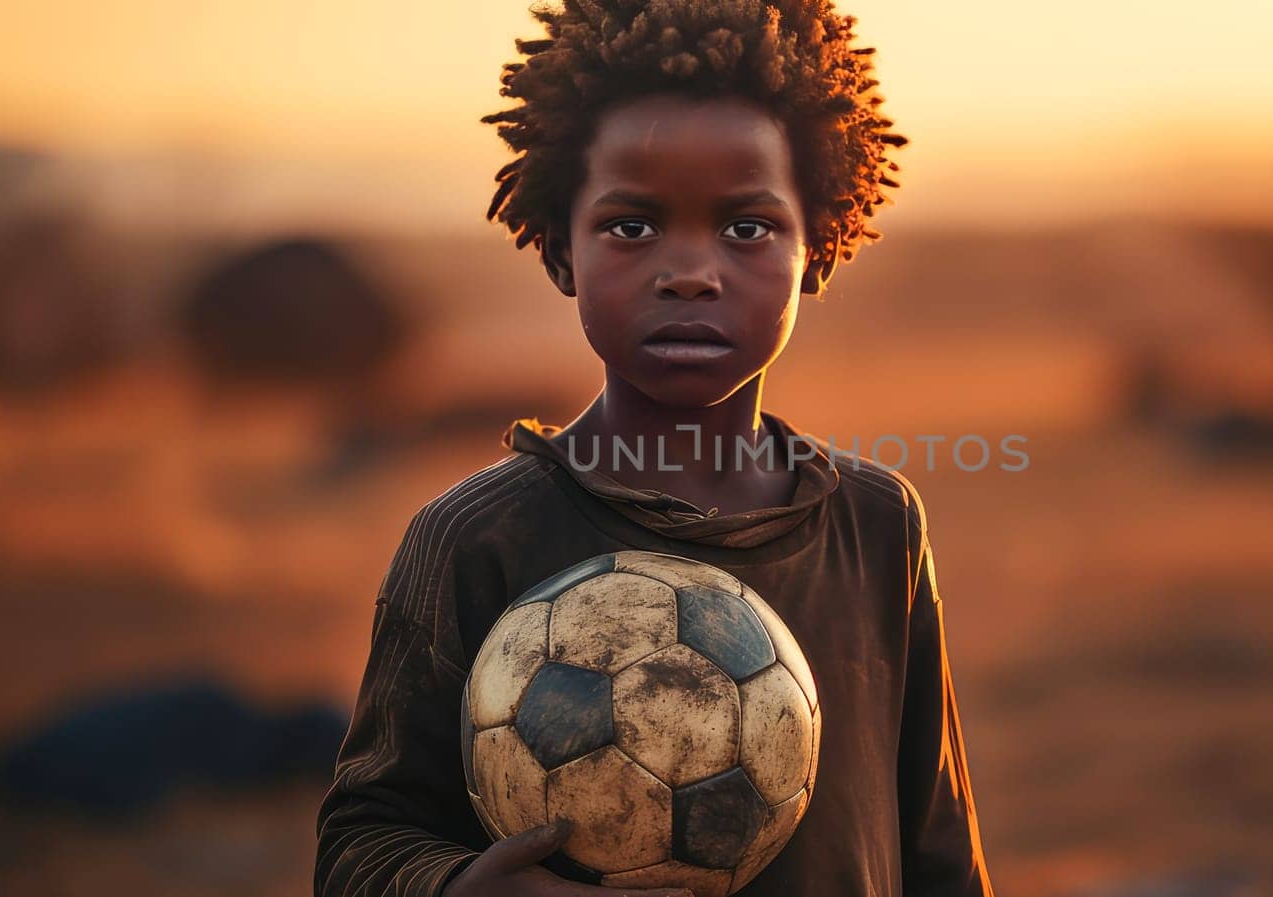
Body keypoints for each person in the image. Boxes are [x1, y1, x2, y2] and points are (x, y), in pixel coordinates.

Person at [314, 2, 995, 895]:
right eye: (631, 226)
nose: (690, 270)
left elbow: (938, 852)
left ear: (817, 248)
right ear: (562, 250)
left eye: (746, 228)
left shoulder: (876, 526)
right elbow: (364, 841)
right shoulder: (476, 538)